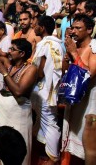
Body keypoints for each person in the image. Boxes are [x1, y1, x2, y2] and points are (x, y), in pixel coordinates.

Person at [61, 14, 96, 163]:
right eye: (73, 28)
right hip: (74, 101)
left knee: (86, 147)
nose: (73, 31)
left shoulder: (94, 47)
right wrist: (67, 56)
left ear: (89, 30)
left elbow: (89, 74)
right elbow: (65, 71)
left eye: (78, 28)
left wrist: (74, 53)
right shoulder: (75, 46)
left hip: (88, 102)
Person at [31, 16, 64, 164]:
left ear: (42, 27)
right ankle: (43, 152)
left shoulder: (45, 44)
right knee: (44, 121)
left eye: (36, 24)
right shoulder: (58, 44)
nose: (34, 26)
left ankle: (53, 158)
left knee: (50, 123)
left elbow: (39, 70)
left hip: (45, 90)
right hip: (51, 89)